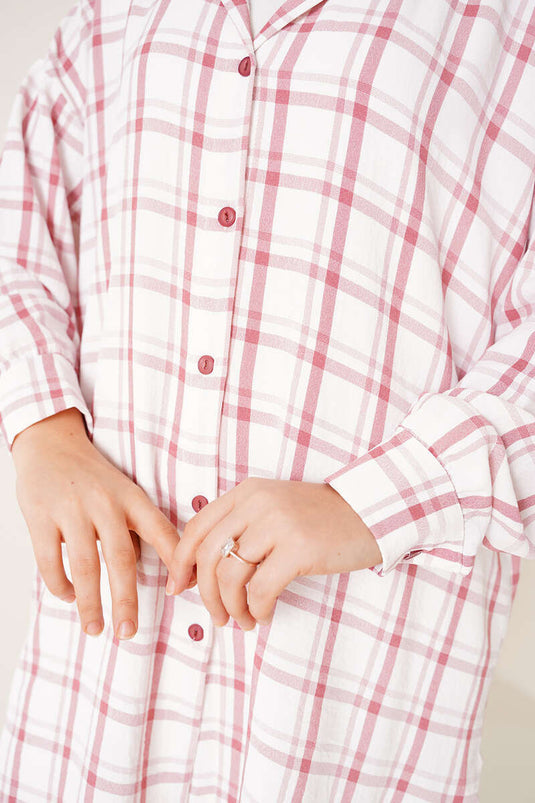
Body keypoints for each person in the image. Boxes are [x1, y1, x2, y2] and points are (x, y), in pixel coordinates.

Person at [0, 0, 534, 800]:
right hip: (92, 715)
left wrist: (370, 503)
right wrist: (42, 426)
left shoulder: (504, 29)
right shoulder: (109, 21)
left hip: (339, 717)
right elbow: (19, 227)